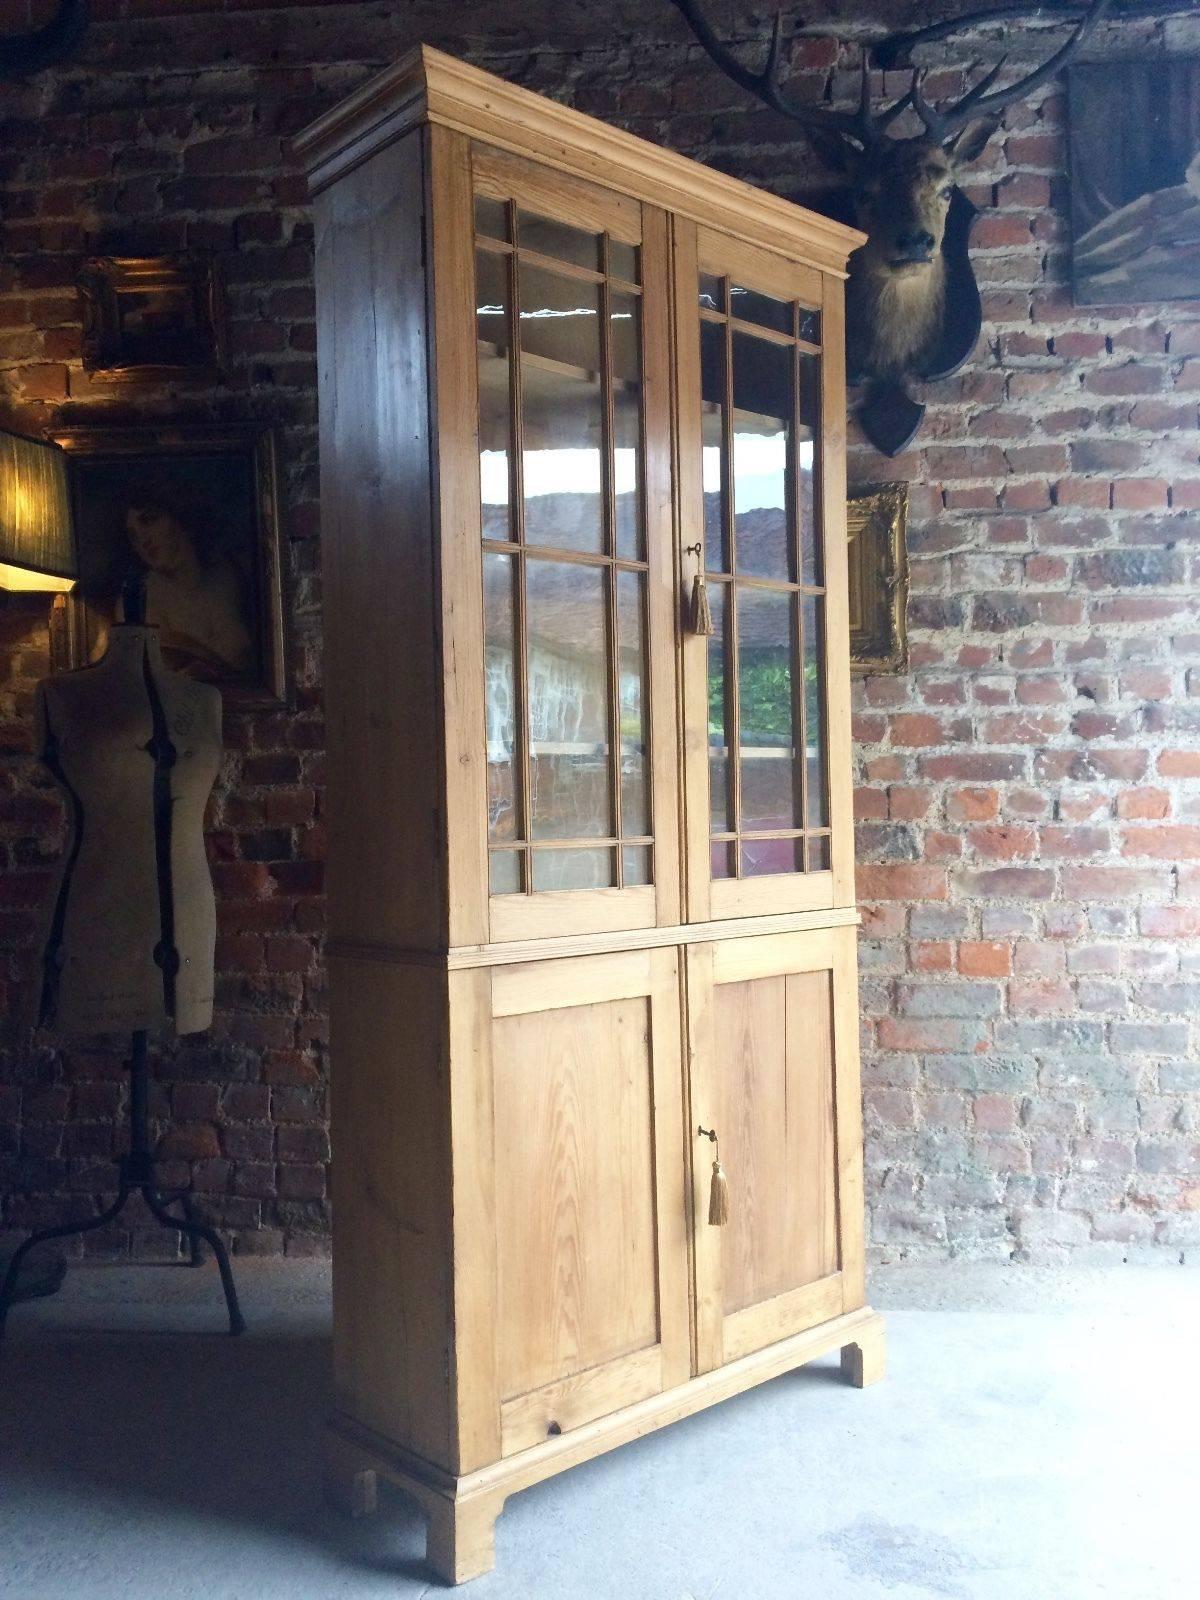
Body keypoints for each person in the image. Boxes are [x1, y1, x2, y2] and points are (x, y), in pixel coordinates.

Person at [113, 495, 254, 678]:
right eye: (133, 535)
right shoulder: (135, 600)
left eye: (149, 520)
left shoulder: (230, 573)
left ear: (179, 516)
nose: (142, 540)